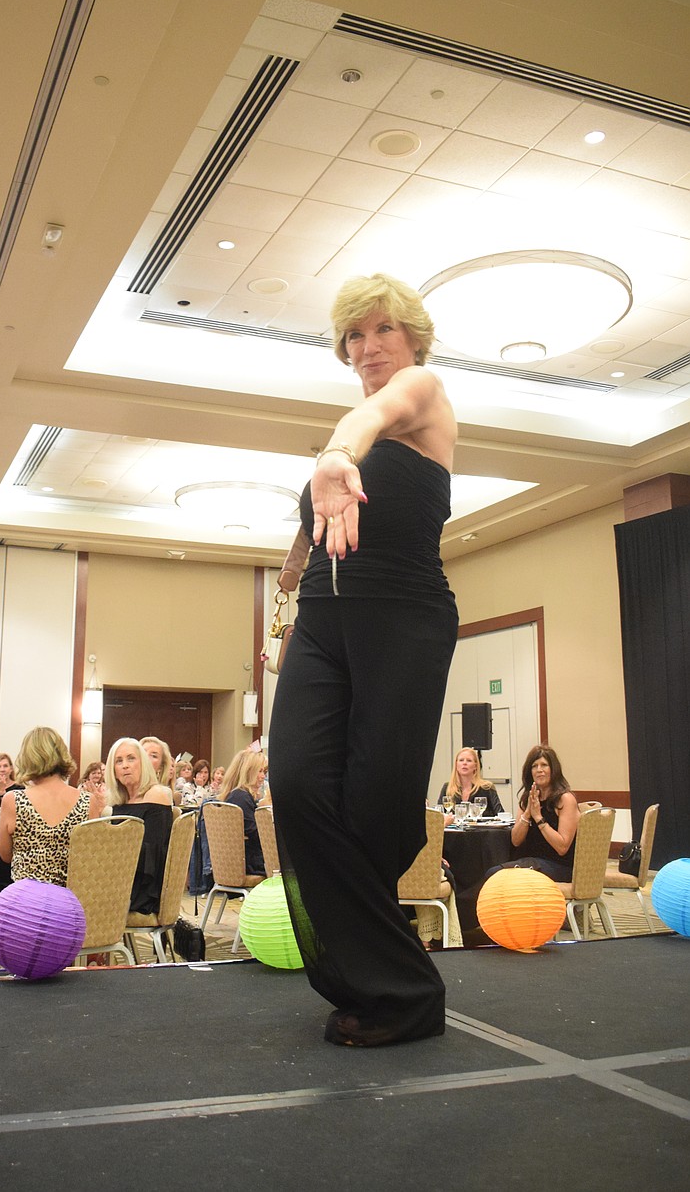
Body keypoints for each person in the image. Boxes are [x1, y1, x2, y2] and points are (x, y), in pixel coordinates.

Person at [268, 272, 458, 1049]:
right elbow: (308, 541)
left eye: (381, 329)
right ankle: (385, 978)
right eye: (354, 335)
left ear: (410, 336)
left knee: (376, 804)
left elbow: (371, 415)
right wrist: (289, 574)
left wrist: (339, 451)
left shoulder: (419, 391)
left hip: (403, 619)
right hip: (320, 619)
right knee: (300, 781)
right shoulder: (344, 452)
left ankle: (396, 989)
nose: (368, 346)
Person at [0, 727, 102, 885]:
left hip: (26, 901)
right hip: (70, 900)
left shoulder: (13, 800)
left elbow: (5, 855)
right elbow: (92, 857)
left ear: (27, 759)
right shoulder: (88, 801)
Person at [488, 745, 579, 882]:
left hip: (559, 866)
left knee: (497, 876)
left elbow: (562, 847)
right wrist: (527, 814)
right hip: (532, 862)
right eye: (534, 766)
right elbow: (516, 840)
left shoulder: (565, 799)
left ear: (553, 769)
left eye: (544, 765)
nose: (539, 770)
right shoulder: (528, 798)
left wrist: (538, 817)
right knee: (493, 873)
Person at [104, 738, 173, 914]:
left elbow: (153, 854)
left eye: (131, 758)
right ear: (114, 771)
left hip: (145, 884)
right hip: (121, 876)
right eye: (119, 761)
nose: (125, 765)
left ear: (143, 764)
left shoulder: (156, 796)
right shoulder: (119, 802)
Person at [218, 750, 268, 876]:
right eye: (260, 771)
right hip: (249, 863)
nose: (263, 777)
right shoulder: (242, 798)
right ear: (248, 772)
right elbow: (258, 836)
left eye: (264, 772)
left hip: (235, 862)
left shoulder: (235, 795)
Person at [437, 747, 503, 825]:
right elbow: (438, 815)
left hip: (481, 833)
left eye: (469, 760)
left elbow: (500, 814)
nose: (464, 763)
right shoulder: (447, 787)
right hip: (454, 834)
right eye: (461, 760)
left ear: (475, 766)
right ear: (456, 765)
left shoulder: (487, 787)